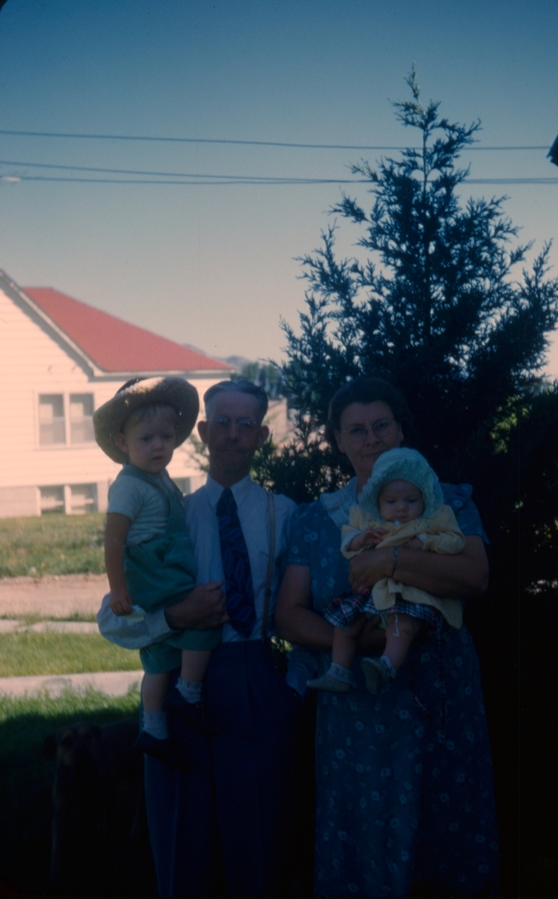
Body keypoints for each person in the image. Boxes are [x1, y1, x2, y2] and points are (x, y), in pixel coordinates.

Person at [276, 376, 499, 897]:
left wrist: (393, 559)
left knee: (446, 829)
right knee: (363, 832)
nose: (370, 439)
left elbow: (475, 576)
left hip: (440, 697)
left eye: (381, 426)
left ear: (401, 430)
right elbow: (288, 615)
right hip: (357, 708)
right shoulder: (317, 519)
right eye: (356, 430)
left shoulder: (448, 502)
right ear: (337, 440)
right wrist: (357, 640)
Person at [97, 379, 298, 897]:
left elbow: (300, 611)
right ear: (204, 433)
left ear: (260, 436)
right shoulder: (168, 510)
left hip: (252, 678)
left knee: (255, 838)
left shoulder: (286, 515)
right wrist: (173, 617)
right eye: (222, 424)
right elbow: (113, 621)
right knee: (183, 835)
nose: (233, 435)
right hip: (181, 686)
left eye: (246, 424)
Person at [94, 377, 221, 769]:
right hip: (156, 571)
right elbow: (114, 540)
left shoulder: (158, 476)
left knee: (159, 655)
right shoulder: (129, 487)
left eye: (166, 437)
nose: (159, 446)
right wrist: (118, 588)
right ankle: (188, 692)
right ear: (122, 444)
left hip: (163, 565)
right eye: (147, 439)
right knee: (204, 621)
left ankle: (153, 729)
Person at [307, 446, 464, 696]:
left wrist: (427, 542)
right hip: (372, 592)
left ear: (424, 498)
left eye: (411, 501)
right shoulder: (369, 520)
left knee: (400, 625)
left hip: (408, 591)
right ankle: (338, 671)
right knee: (345, 624)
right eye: (391, 501)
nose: (401, 508)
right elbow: (347, 542)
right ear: (378, 501)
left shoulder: (434, 519)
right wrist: (361, 539)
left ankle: (387, 665)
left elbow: (456, 541)